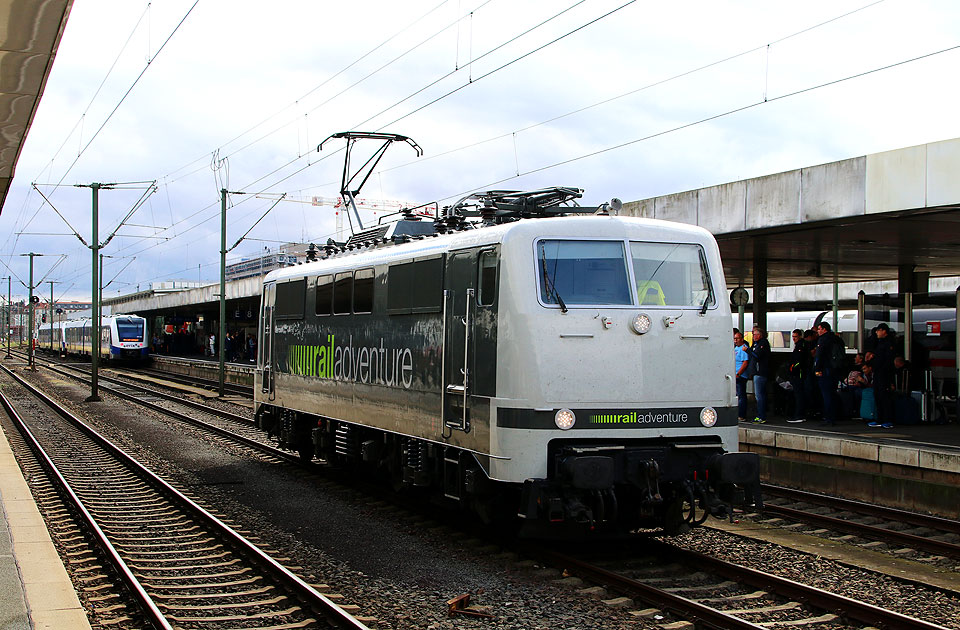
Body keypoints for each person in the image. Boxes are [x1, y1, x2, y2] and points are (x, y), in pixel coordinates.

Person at [813, 321, 841, 426]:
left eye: (819, 329)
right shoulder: (836, 339)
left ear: (825, 329)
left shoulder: (823, 339)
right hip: (835, 370)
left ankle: (828, 417)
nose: (818, 331)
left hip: (825, 371)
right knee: (833, 394)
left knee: (826, 395)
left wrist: (817, 369)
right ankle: (833, 416)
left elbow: (819, 356)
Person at [871, 322, 895, 428]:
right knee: (877, 395)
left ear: (884, 331)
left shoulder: (888, 344)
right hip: (877, 373)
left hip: (884, 374)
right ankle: (879, 418)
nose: (876, 332)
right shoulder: (879, 343)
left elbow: (888, 360)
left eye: (878, 330)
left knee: (884, 396)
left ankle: (887, 419)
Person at [751, 325, 771, 424]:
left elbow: (756, 355)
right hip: (757, 372)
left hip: (761, 372)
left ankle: (761, 416)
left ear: (760, 335)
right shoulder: (756, 344)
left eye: (755, 334)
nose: (753, 336)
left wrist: (748, 350)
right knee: (759, 395)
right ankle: (760, 415)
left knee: (760, 396)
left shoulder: (763, 344)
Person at [787, 329, 807, 423]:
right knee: (798, 394)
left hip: (798, 374)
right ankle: (798, 414)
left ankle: (799, 415)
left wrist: (792, 368)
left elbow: (799, 361)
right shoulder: (799, 346)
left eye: (795, 337)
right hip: (797, 373)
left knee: (799, 395)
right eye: (793, 337)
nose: (794, 339)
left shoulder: (801, 346)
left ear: (800, 336)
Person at [734, 330, 750, 422]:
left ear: (742, 339)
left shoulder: (743, 348)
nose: (735, 340)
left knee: (741, 395)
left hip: (740, 376)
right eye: (734, 339)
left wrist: (738, 373)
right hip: (735, 375)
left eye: (737, 338)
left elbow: (745, 362)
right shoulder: (736, 348)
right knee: (737, 395)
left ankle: (741, 415)